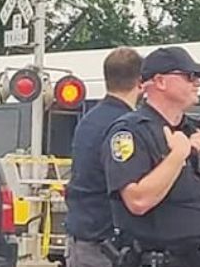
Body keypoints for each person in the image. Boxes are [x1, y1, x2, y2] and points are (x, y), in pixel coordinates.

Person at [102, 46, 200, 267]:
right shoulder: (130, 132)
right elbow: (138, 200)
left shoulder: (199, 132)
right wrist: (177, 156)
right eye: (189, 76)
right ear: (160, 81)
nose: (197, 83)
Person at [65, 47, 144, 267]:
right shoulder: (125, 126)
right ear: (140, 82)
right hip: (105, 243)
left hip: (82, 235)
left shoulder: (89, 120)